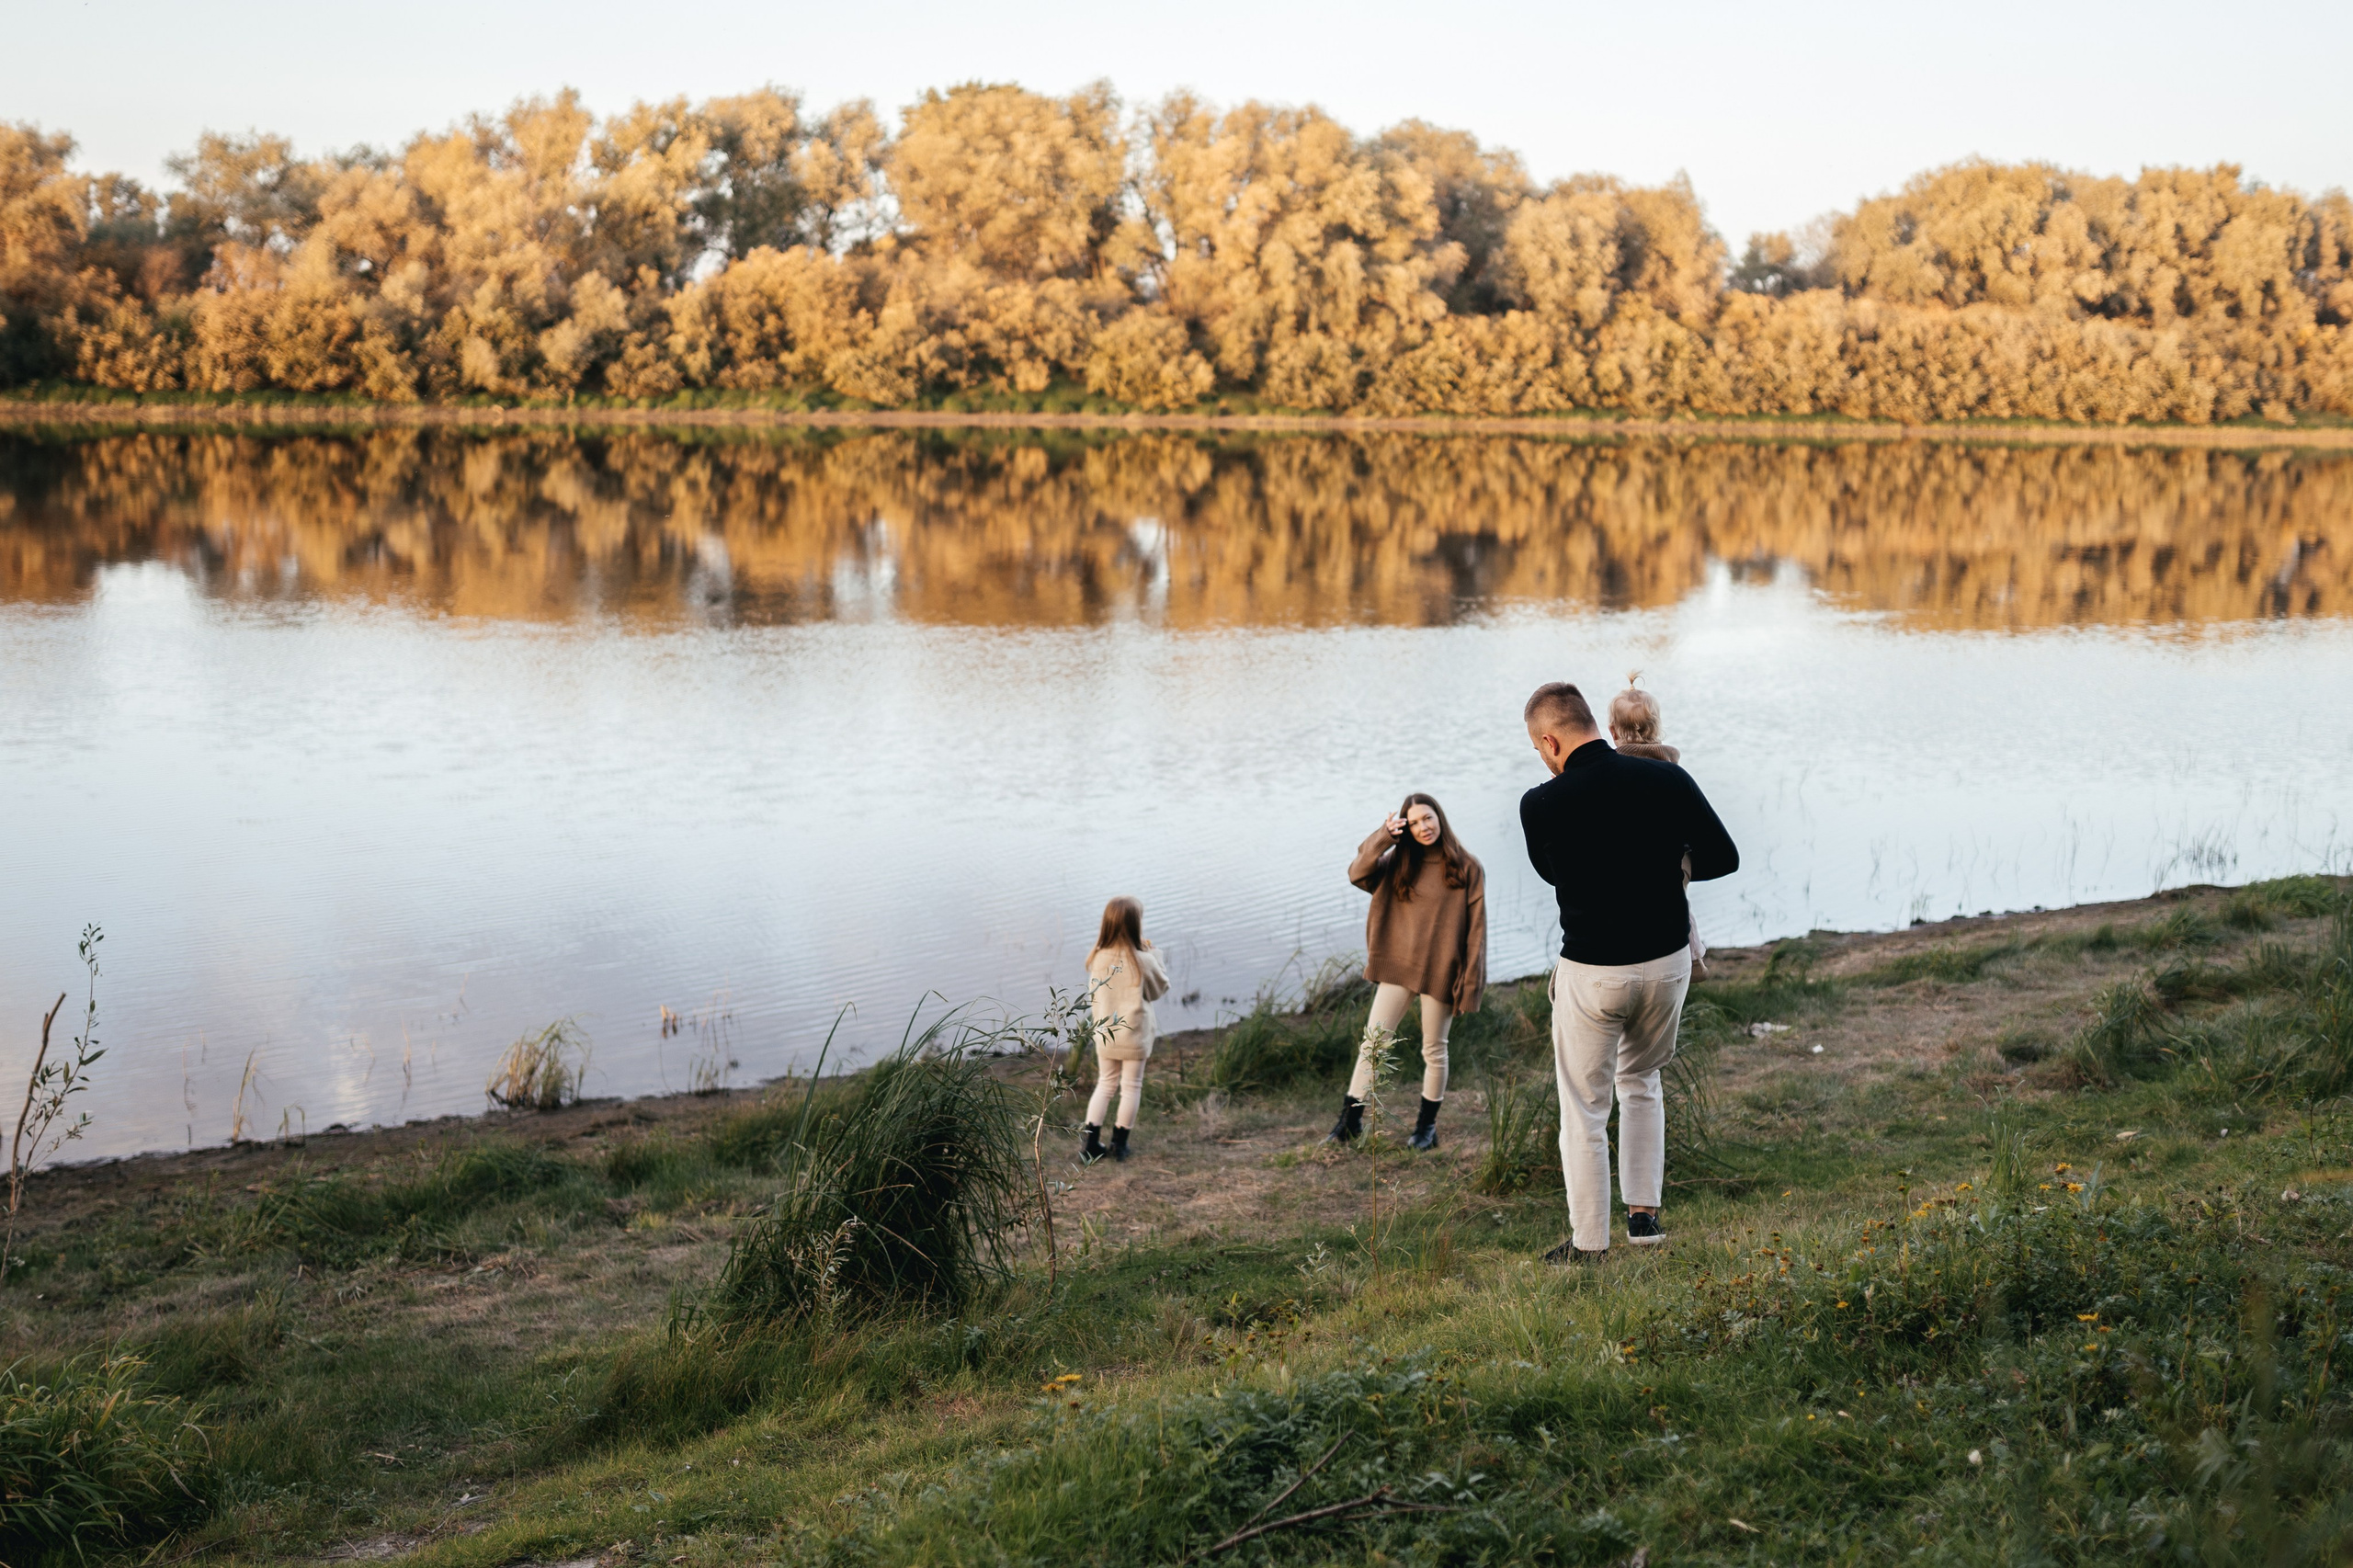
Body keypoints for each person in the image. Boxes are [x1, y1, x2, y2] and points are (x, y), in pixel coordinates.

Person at [1521, 680, 1738, 1262]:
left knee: (1585, 1108)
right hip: (1666, 967)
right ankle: (1644, 1219)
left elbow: (1551, 873)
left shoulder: (1541, 802)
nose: (1543, 759)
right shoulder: (1667, 779)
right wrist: (1665, 862)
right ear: (1595, 723)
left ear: (1550, 740)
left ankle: (1590, 1244)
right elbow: (1724, 855)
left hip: (1594, 972)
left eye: (1540, 749)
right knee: (1641, 1082)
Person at [1325, 793, 1486, 1152]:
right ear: (1405, 828)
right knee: (1373, 1045)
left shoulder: (1467, 867)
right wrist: (1384, 836)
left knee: (1434, 1050)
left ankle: (1426, 1130)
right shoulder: (1397, 862)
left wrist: (1470, 985)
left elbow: (1476, 932)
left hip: (1442, 972)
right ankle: (1350, 1122)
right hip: (1398, 968)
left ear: (1439, 818)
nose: (1423, 827)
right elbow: (1358, 872)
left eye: (1427, 819)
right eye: (1413, 823)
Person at [1608, 673, 1708, 976]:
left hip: (1627, 868)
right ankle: (1693, 955)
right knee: (1676, 897)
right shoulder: (1673, 772)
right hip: (1674, 862)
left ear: (1612, 732)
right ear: (1657, 728)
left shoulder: (1610, 774)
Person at [1080, 896, 1170, 1162]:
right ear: (1135, 925)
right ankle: (1119, 1145)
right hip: (1134, 1036)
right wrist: (1155, 956)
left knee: (1105, 1084)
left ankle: (1090, 1144)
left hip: (1106, 1034)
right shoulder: (1143, 960)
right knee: (1131, 1086)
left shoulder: (1097, 957)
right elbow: (1159, 989)